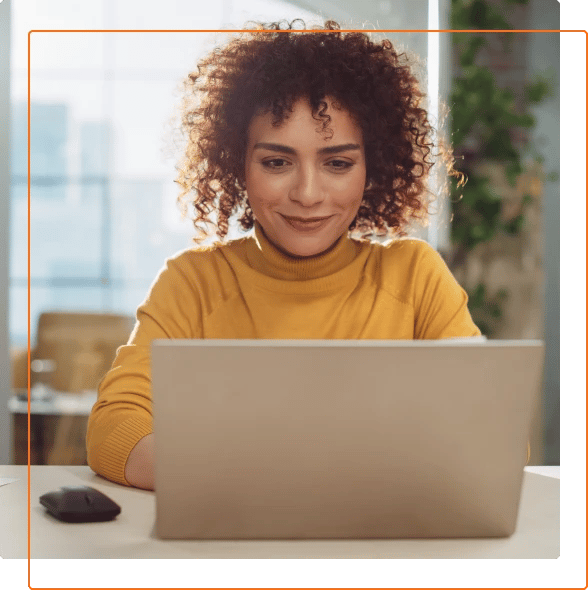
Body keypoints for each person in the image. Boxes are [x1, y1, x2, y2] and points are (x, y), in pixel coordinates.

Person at [86, 20, 481, 491]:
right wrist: (265, 480)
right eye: (277, 162)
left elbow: (488, 435)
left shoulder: (414, 276)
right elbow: (115, 428)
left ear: (373, 167)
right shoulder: (193, 282)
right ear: (238, 164)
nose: (308, 194)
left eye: (338, 163)